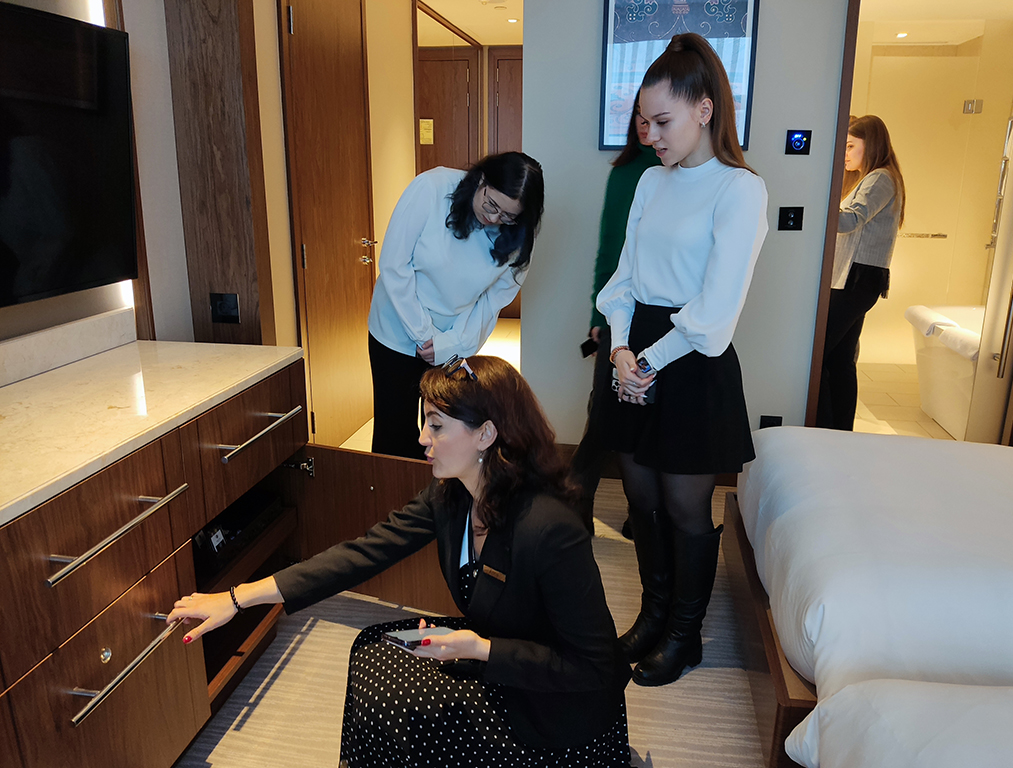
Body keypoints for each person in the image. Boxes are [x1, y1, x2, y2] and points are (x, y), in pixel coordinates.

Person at [167, 356, 632, 767]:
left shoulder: (549, 529)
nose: (422, 437)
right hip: (499, 653)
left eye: (436, 425)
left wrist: (480, 650)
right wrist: (237, 598)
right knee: (372, 648)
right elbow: (362, 553)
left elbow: (593, 667)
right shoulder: (451, 495)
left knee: (392, 704)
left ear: (486, 434)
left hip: (554, 709)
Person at [596, 33, 768, 687]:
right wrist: (620, 349)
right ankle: (654, 614)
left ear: (704, 109)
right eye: (644, 122)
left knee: (684, 506)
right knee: (639, 495)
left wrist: (645, 360)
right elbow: (622, 280)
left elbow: (716, 314)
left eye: (662, 121)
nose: (651, 135)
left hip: (691, 359)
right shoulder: (649, 181)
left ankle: (684, 635)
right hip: (636, 349)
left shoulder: (740, 189)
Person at [368, 153, 545, 460]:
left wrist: (451, 344)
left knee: (445, 434)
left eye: (508, 216)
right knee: (394, 433)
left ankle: (435, 491)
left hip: (450, 341)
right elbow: (395, 265)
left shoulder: (518, 236)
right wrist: (424, 335)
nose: (494, 219)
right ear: (482, 179)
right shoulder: (432, 188)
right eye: (491, 205)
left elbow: (492, 302)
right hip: (395, 329)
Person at [570, 91, 659, 537]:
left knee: (648, 415)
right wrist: (598, 313)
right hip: (620, 311)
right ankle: (576, 500)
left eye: (654, 118)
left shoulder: (685, 171)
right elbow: (609, 251)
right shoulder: (624, 173)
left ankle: (640, 512)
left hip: (666, 316)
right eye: (639, 117)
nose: (645, 126)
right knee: (605, 411)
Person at [816, 114, 906, 430]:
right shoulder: (875, 178)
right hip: (858, 280)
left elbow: (851, 220)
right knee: (840, 359)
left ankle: (824, 427)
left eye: (850, 145)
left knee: (821, 356)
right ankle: (838, 430)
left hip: (856, 280)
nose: (845, 153)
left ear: (873, 144)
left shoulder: (880, 178)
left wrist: (816, 205)